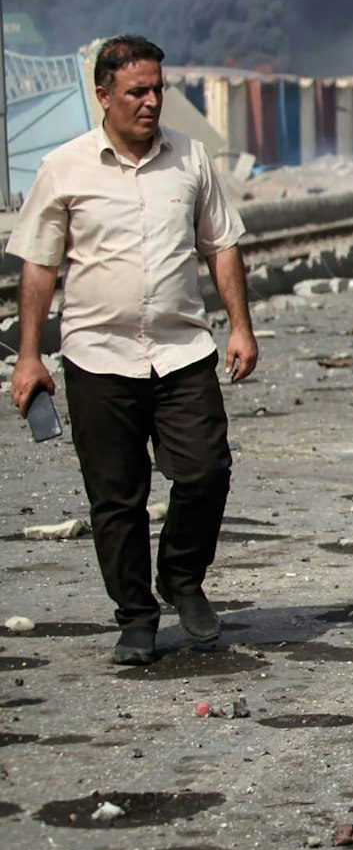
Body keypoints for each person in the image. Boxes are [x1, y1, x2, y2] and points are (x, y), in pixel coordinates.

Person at [6, 35, 257, 668]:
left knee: (205, 471)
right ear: (102, 96)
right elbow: (39, 266)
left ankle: (181, 577)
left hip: (181, 351)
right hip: (97, 357)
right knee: (115, 499)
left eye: (157, 90)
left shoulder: (192, 158)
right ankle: (136, 616)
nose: (150, 103)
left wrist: (240, 326)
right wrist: (30, 356)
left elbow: (221, 246)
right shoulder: (64, 167)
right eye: (136, 92)